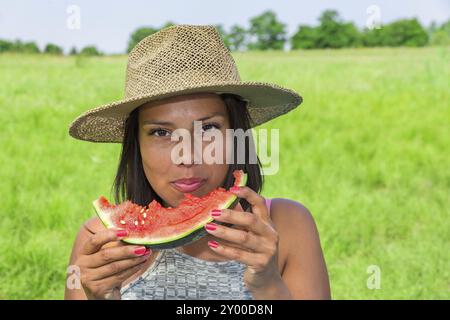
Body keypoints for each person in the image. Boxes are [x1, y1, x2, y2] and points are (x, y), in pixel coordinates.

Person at [64, 24, 330, 300]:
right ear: (136, 146)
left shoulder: (288, 225)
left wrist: (267, 285)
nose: (187, 156)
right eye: (161, 132)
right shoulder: (98, 243)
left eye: (208, 129)